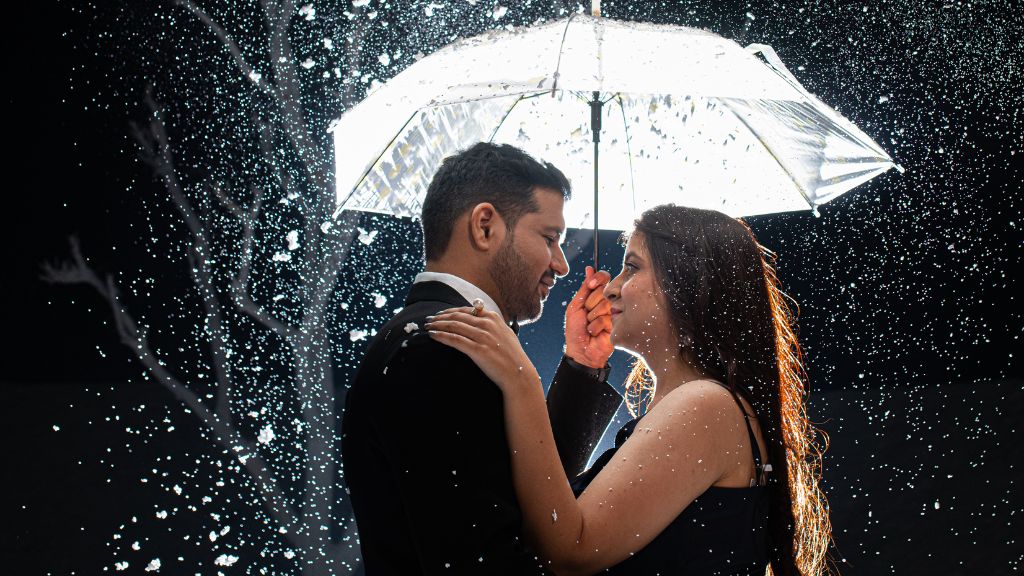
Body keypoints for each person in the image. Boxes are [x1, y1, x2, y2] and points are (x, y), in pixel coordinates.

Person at [426, 204, 832, 575]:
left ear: (687, 283)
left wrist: (521, 381)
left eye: (632, 268)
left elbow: (569, 550)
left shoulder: (703, 405)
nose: (610, 288)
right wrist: (581, 365)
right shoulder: (699, 405)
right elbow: (558, 510)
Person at [341, 142, 624, 576]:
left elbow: (534, 504)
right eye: (549, 238)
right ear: (485, 226)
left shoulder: (455, 342)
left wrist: (581, 366)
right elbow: (491, 558)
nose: (562, 265)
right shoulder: (437, 351)